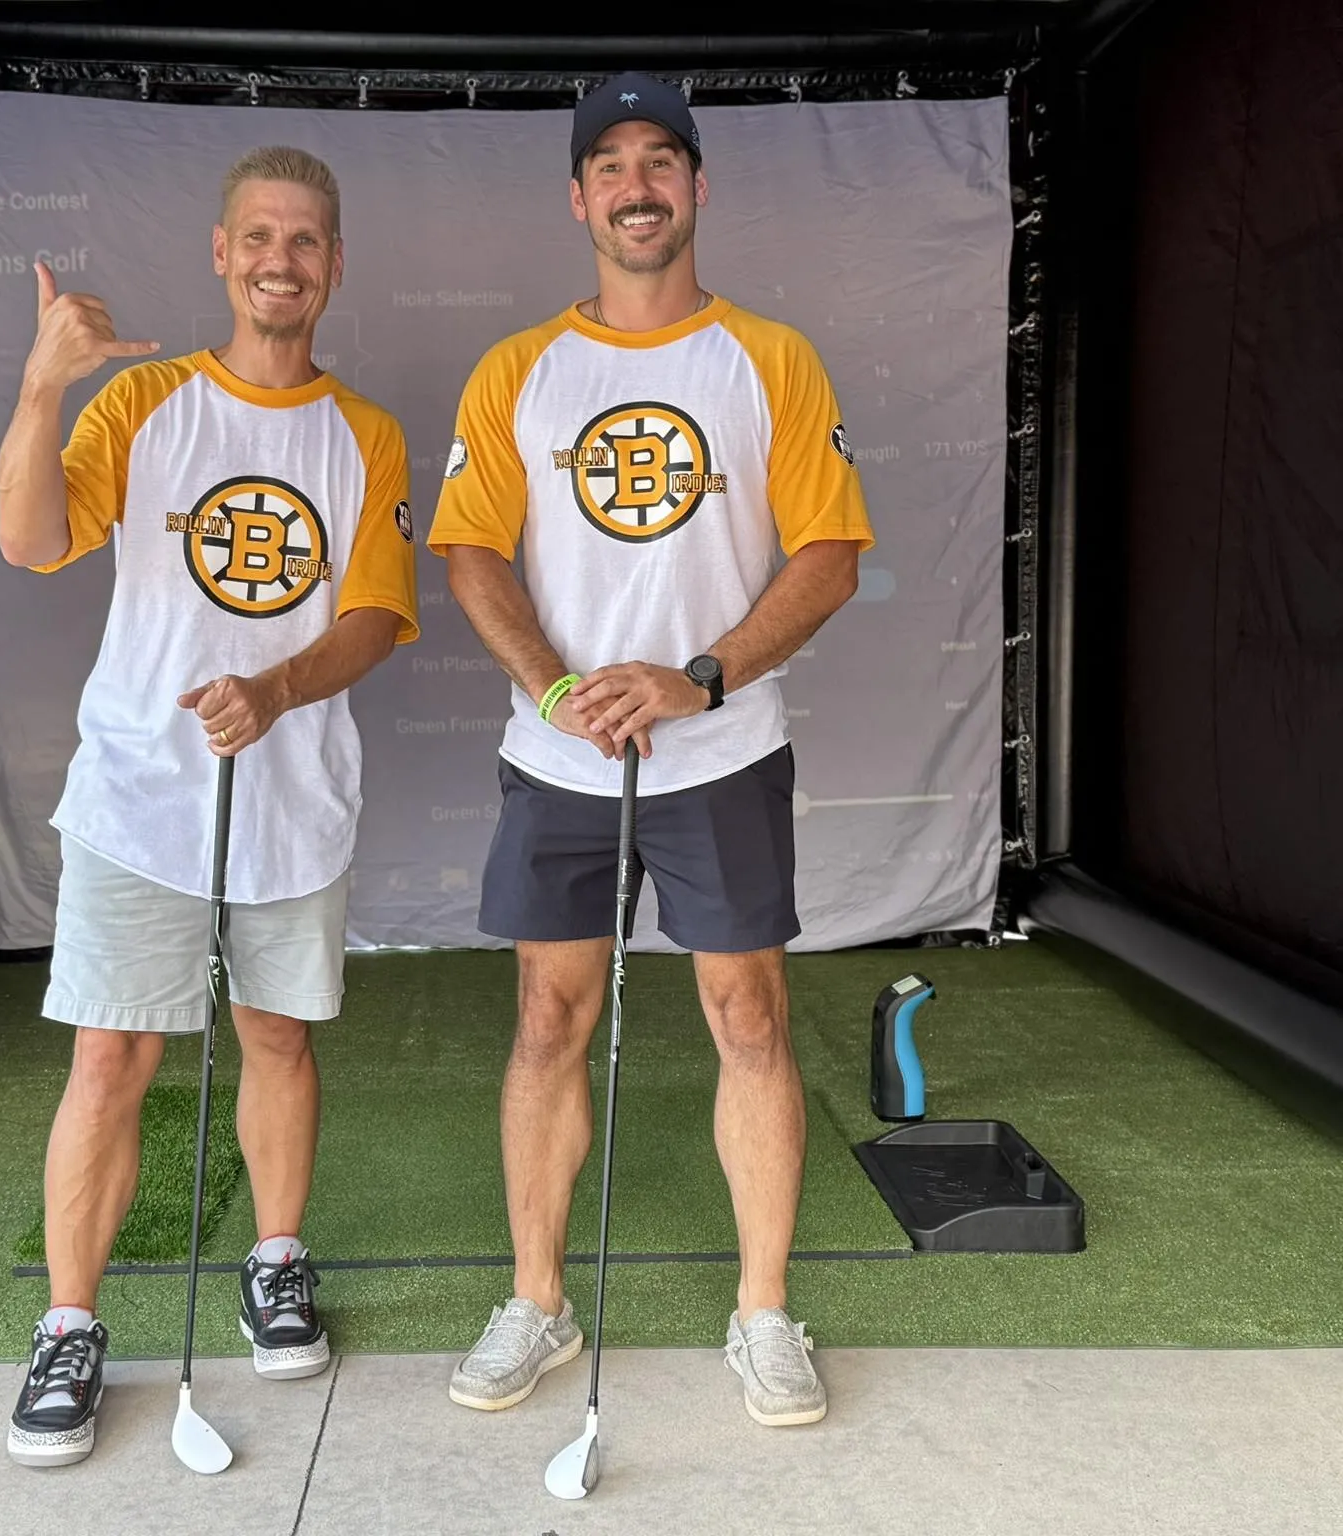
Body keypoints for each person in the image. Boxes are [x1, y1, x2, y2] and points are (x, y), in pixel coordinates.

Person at [426, 73, 874, 1427]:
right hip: (560, 759)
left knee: (748, 1018)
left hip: (720, 754)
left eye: (661, 160)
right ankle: (538, 1302)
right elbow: (467, 553)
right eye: (610, 163)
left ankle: (763, 1311)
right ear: (579, 198)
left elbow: (833, 555)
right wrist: (558, 687)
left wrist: (697, 680)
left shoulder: (771, 358)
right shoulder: (517, 368)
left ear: (696, 189)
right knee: (549, 1020)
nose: (637, 183)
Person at [0, 146, 418, 1467]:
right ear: (222, 254)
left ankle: (276, 1261)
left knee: (279, 1041)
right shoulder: (148, 404)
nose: (279, 259)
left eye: (304, 240)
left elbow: (374, 616)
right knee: (111, 1060)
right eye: (258, 237)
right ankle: (70, 1328)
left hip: (291, 803)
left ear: (333, 266)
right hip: (136, 796)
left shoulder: (367, 433)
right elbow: (28, 536)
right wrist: (42, 388)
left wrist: (280, 687)